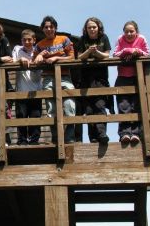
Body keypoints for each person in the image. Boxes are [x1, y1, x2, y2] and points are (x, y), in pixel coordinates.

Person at [33, 16, 76, 144]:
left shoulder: (64, 39)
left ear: (55, 28)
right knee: (51, 110)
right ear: (42, 29)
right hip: (48, 78)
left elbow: (72, 57)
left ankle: (69, 138)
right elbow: (35, 61)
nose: (49, 29)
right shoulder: (40, 45)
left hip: (65, 77)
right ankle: (56, 138)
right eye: (46, 27)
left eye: (51, 27)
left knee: (69, 107)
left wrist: (56, 58)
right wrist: (40, 55)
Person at [113, 21, 150, 144]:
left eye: (131, 31)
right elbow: (115, 54)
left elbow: (147, 54)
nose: (129, 34)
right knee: (123, 106)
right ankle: (124, 133)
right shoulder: (120, 39)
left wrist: (138, 52)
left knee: (136, 105)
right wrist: (127, 51)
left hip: (137, 76)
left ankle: (135, 133)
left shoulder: (141, 39)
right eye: (126, 31)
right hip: (123, 76)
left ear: (136, 31)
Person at [77, 17, 112, 144]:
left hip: (100, 78)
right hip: (86, 79)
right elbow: (79, 56)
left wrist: (96, 52)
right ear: (86, 29)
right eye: (89, 27)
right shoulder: (82, 40)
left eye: (94, 27)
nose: (92, 29)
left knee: (100, 105)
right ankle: (92, 137)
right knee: (89, 109)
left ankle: (102, 134)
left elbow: (107, 55)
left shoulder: (104, 38)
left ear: (98, 28)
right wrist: (88, 51)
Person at [12, 29, 42, 145]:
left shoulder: (39, 50)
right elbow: (13, 61)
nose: (27, 42)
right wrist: (20, 60)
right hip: (21, 90)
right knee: (21, 116)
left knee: (36, 116)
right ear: (21, 41)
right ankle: (22, 141)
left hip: (36, 90)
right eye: (24, 40)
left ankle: (34, 141)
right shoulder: (17, 49)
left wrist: (39, 58)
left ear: (34, 40)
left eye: (29, 39)